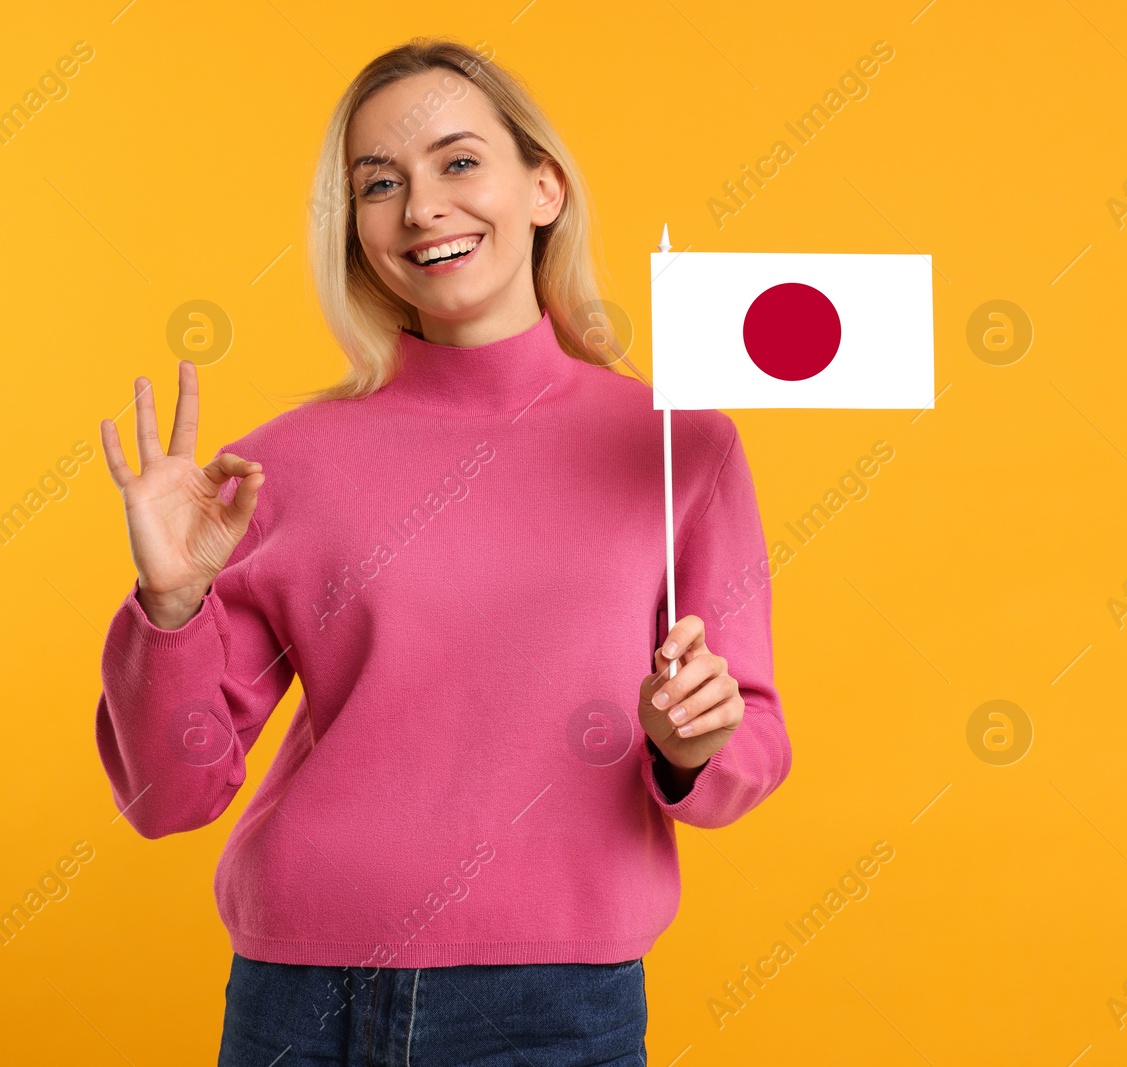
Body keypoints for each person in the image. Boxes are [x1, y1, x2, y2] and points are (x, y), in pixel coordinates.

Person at [92, 36, 792, 1065]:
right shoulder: (273, 467)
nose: (421, 207)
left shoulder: (678, 442)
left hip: (559, 1004)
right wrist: (168, 602)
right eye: (380, 184)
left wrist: (692, 744)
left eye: (458, 162)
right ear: (356, 230)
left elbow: (751, 744)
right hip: (300, 998)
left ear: (543, 185)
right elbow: (168, 794)